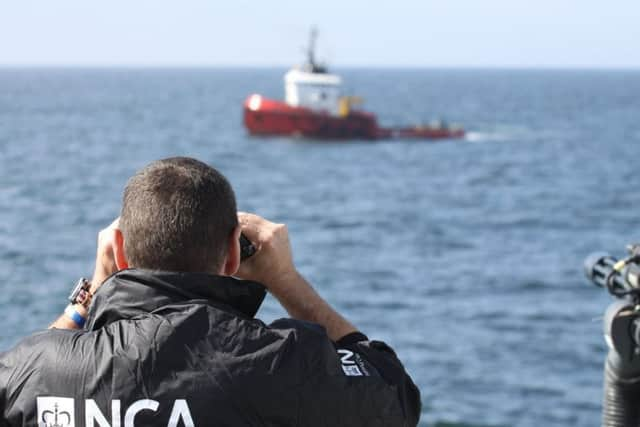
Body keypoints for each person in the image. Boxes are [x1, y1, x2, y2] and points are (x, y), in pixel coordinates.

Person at [0, 157, 421, 426]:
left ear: (120, 250)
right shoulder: (278, 362)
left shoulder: (42, 369)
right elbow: (395, 398)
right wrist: (285, 279)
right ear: (232, 254)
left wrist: (92, 290)